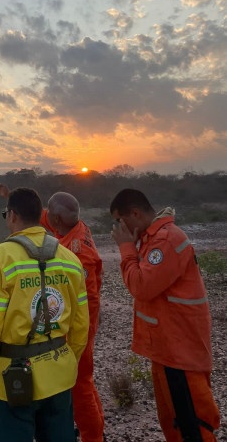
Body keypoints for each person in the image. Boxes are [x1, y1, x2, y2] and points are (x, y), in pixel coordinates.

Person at [0, 187, 89, 442]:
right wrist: (67, 362)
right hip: (59, 375)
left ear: (12, 215)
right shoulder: (70, 258)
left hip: (13, 381)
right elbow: (81, 325)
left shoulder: (2, 256)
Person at [110, 188, 220, 442]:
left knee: (194, 425)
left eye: (119, 221)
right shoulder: (153, 238)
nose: (118, 228)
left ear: (135, 213)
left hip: (180, 353)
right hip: (168, 350)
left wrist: (126, 247)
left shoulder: (165, 240)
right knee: (175, 423)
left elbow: (141, 286)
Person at [47, 192, 104, 442]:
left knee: (78, 386)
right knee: (86, 383)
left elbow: (86, 301)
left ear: (57, 218)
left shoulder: (78, 251)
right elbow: (43, 216)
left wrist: (74, 335)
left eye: (49, 215)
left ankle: (93, 436)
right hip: (80, 323)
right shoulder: (72, 230)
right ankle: (97, 432)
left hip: (81, 326)